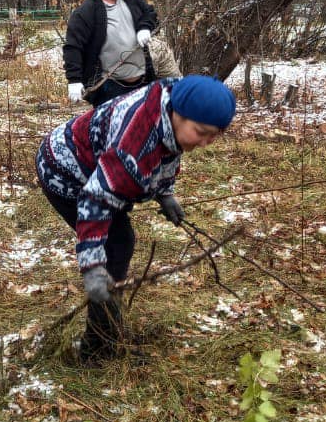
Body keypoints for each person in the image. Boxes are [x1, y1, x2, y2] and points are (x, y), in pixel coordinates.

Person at [36, 74, 236, 363]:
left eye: (214, 135)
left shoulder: (169, 109)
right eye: (201, 132)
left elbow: (167, 152)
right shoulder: (134, 142)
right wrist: (92, 267)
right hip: (65, 172)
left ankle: (108, 326)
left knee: (119, 244)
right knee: (115, 246)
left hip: (99, 169)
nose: (206, 142)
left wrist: (164, 192)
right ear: (177, 112)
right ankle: (98, 349)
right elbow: (96, 200)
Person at [63, 0, 159, 107]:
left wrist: (144, 27)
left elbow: (150, 13)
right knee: (113, 128)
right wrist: (74, 80)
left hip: (143, 81)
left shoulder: (132, 0)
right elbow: (73, 47)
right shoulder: (86, 12)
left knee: (144, 125)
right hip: (109, 86)